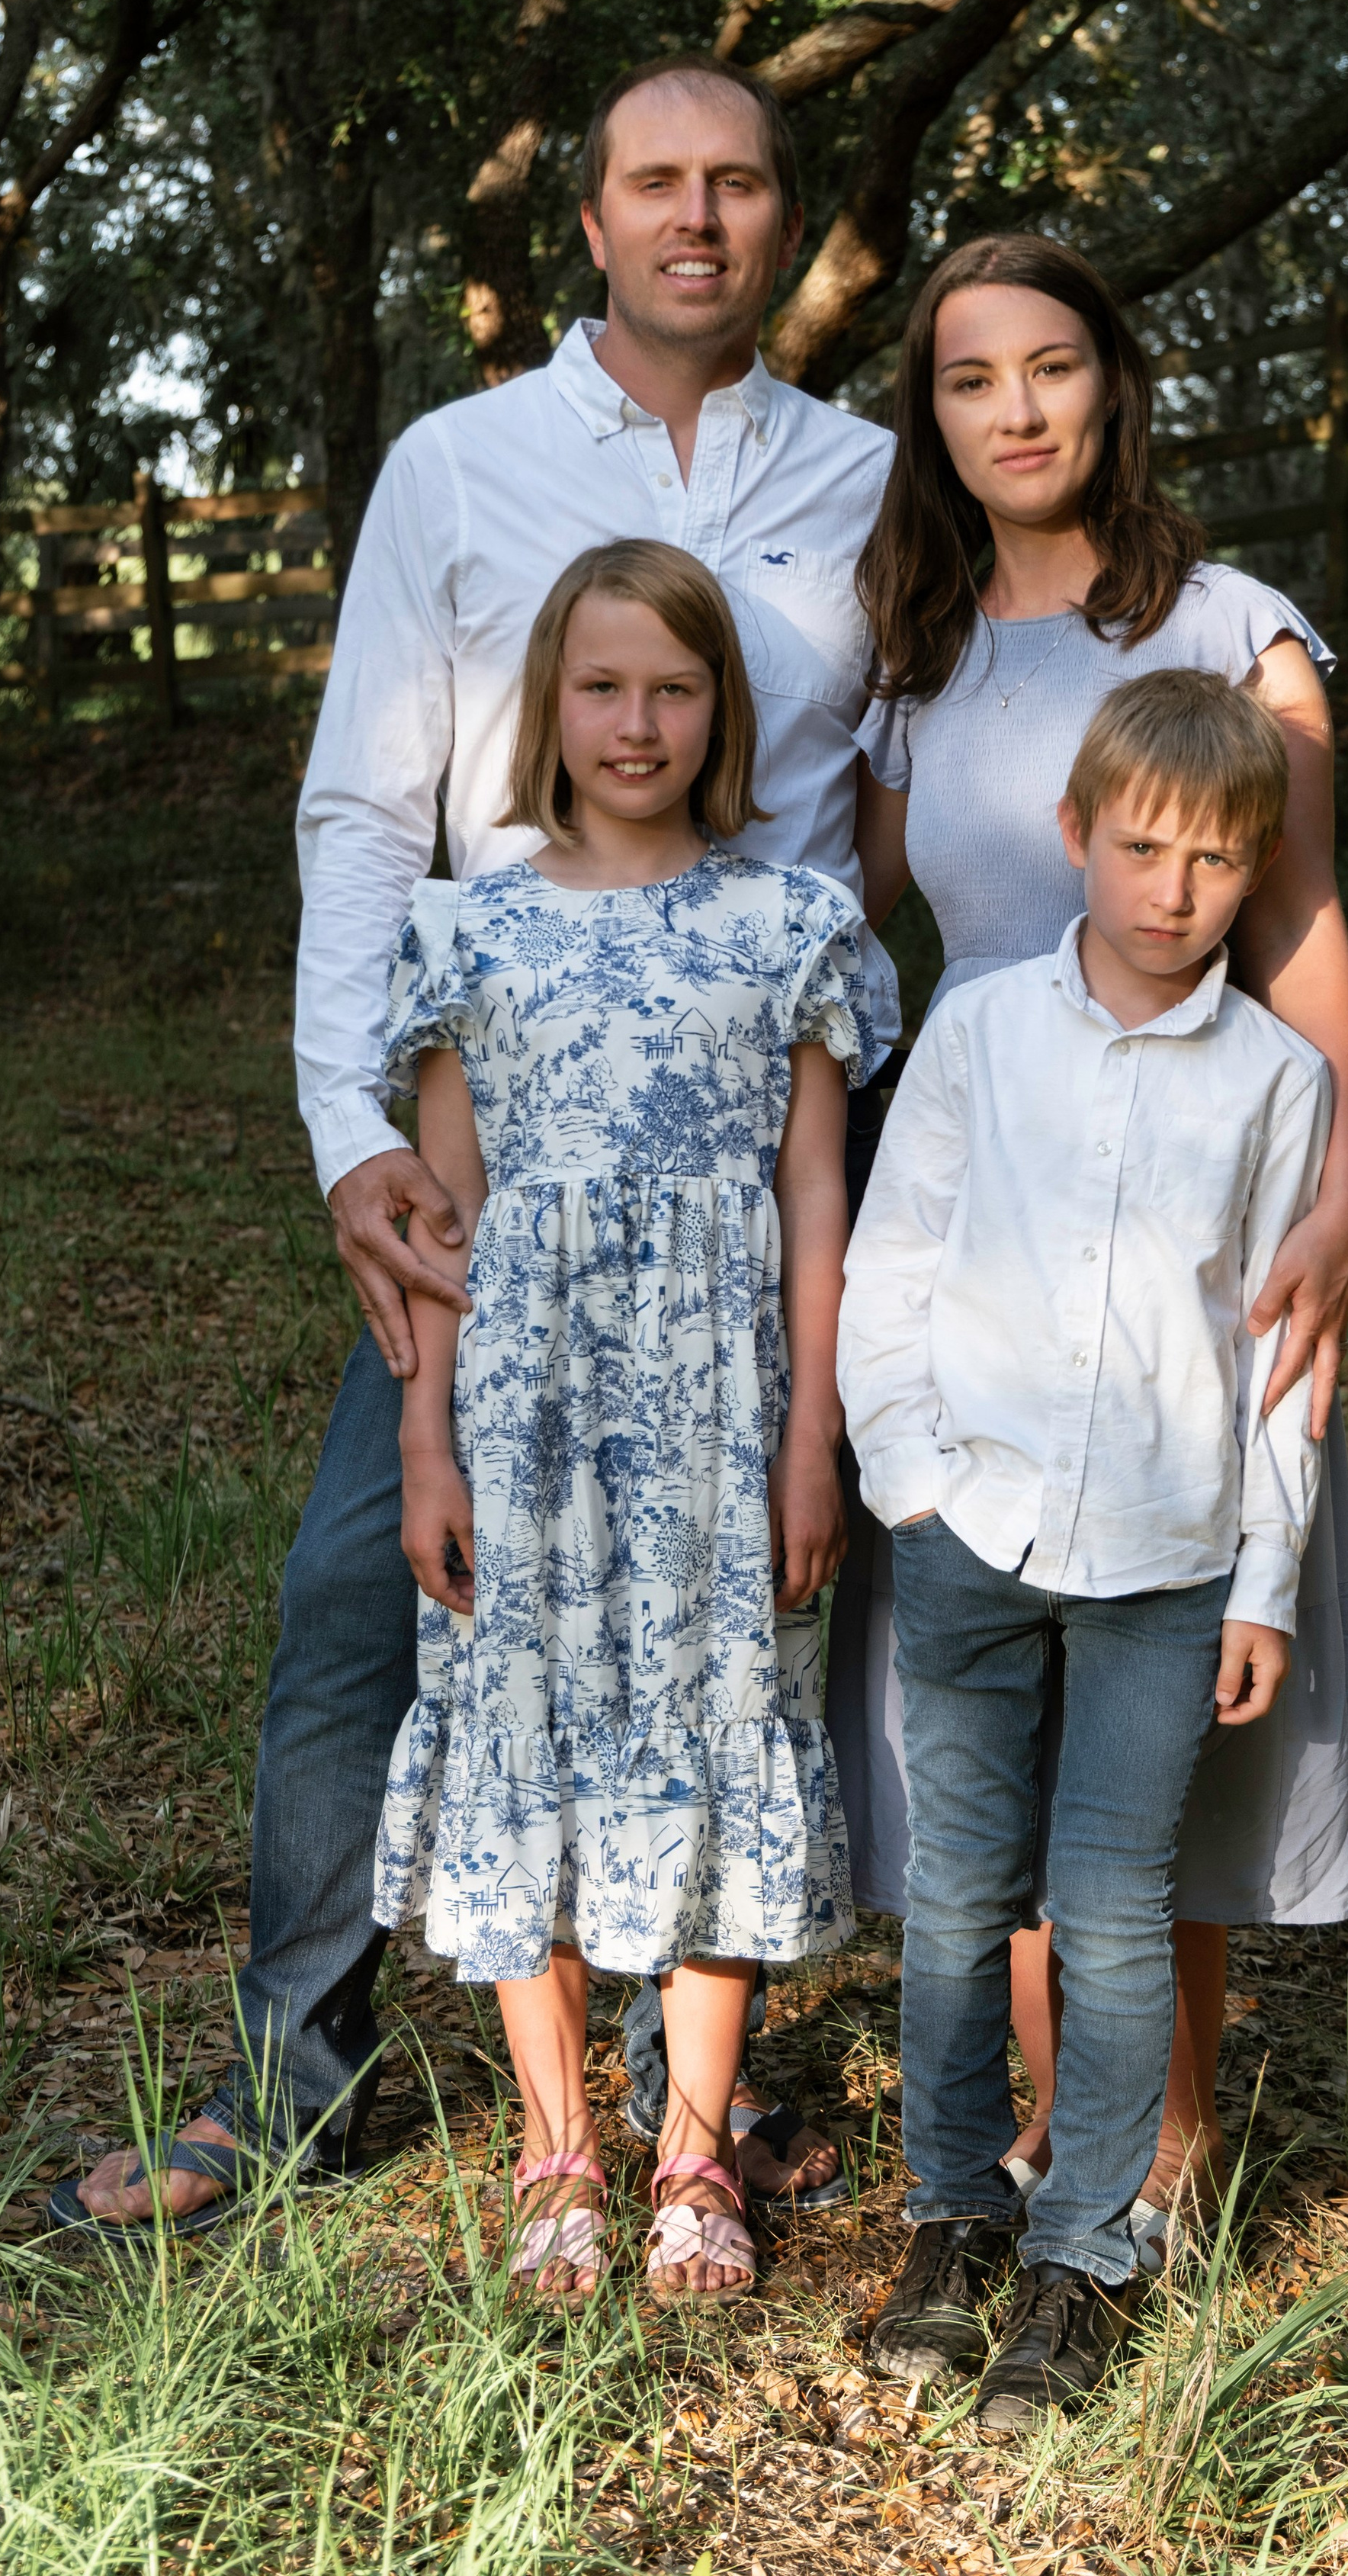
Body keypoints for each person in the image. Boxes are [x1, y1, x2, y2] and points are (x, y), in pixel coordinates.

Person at [48, 50, 890, 2245]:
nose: (698, 218)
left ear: (784, 218)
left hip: (752, 1156)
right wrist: (352, 1137)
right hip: (495, 1154)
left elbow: (934, 792)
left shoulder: (871, 487)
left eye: (739, 183)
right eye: (655, 184)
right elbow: (362, 813)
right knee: (372, 1586)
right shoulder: (462, 465)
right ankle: (280, 2091)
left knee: (748, 1614)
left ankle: (689, 2096)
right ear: (592, 224)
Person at [838, 231, 1348, 2222]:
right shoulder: (918, 663)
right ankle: (1051, 2111)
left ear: (1111, 385)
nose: (1017, 411)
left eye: (1051, 368)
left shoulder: (1238, 627)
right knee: (1005, 1645)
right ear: (937, 417)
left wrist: (1341, 1162)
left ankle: (1164, 2128)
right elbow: (849, 918)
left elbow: (1302, 910)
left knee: (1166, 1634)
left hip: (1197, 1183)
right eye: (972, 380)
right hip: (990, 1190)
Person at [374, 541, 866, 2301]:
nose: (636, 721)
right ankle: (559, 2143)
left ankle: (693, 2148)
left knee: (726, 1718)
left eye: (673, 687)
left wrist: (813, 1432)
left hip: (727, 1408)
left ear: (720, 709)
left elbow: (816, 1200)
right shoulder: (470, 931)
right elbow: (439, 1213)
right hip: (526, 1406)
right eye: (601, 686)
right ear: (549, 709)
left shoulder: (791, 923)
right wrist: (425, 1441)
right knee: (533, 1732)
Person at [839, 669, 1331, 2430]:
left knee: (1113, 1911)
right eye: (1137, 847)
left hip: (1164, 1551)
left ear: (1250, 863)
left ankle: (1082, 2254)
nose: (1169, 889)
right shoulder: (974, 1032)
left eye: (1211, 859)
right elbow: (889, 1261)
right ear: (1074, 837)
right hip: (970, 1527)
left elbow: (1281, 1351)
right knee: (962, 1894)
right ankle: (952, 2214)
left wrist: (1263, 1579)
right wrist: (905, 1473)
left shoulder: (1277, 1081)